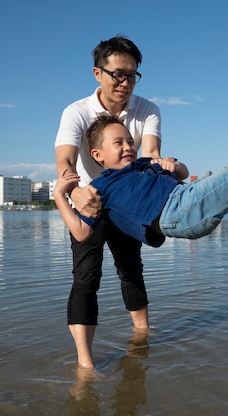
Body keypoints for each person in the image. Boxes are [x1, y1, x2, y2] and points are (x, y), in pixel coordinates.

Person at [54, 114, 228, 248]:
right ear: (97, 155)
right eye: (118, 143)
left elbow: (182, 173)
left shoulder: (142, 165)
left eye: (129, 141)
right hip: (176, 212)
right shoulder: (100, 186)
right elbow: (81, 232)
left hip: (185, 199)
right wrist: (60, 197)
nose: (127, 146)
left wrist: (173, 165)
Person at [54, 35, 161, 370]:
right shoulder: (76, 112)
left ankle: (141, 333)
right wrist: (75, 193)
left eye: (131, 75)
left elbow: (152, 155)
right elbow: (65, 163)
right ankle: (85, 365)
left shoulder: (148, 109)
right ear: (97, 73)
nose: (125, 82)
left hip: (127, 203)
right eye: (117, 74)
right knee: (87, 278)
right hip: (90, 201)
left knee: (131, 270)